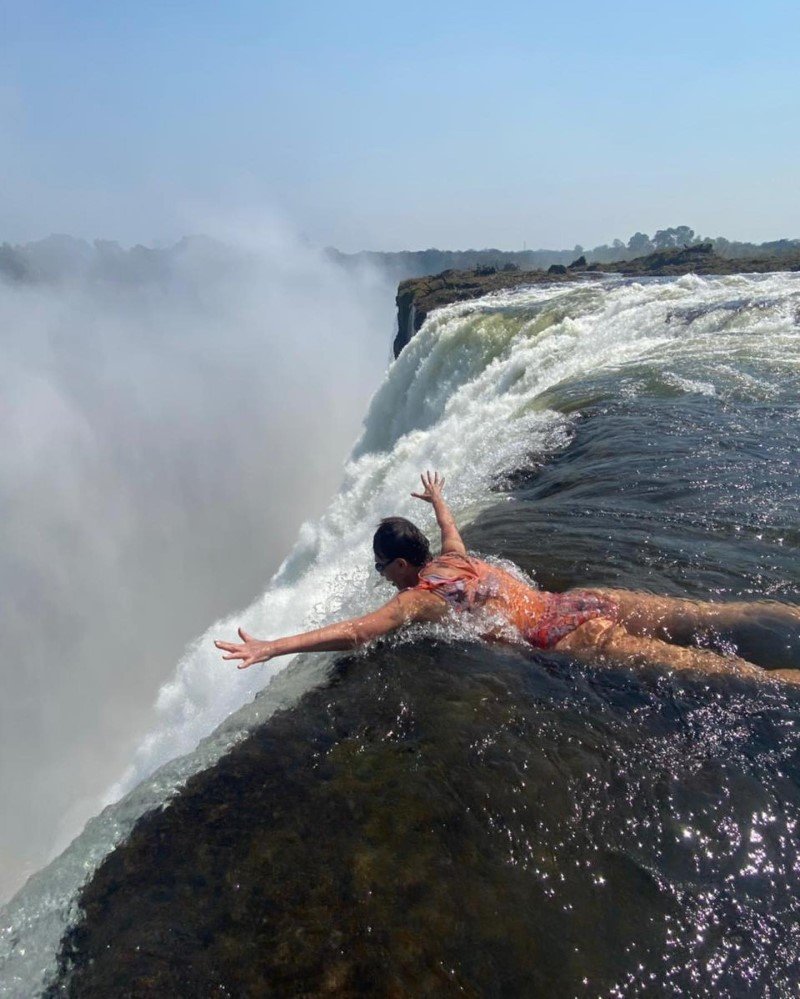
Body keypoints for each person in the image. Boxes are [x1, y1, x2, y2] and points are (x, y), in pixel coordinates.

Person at [215, 472, 800, 684]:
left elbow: (359, 631)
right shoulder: (452, 558)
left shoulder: (421, 598)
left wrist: (274, 646)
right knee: (711, 618)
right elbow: (448, 526)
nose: (381, 579)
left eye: (381, 568)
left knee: (731, 673)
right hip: (578, 601)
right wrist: (439, 498)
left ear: (399, 565)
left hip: (564, 639)